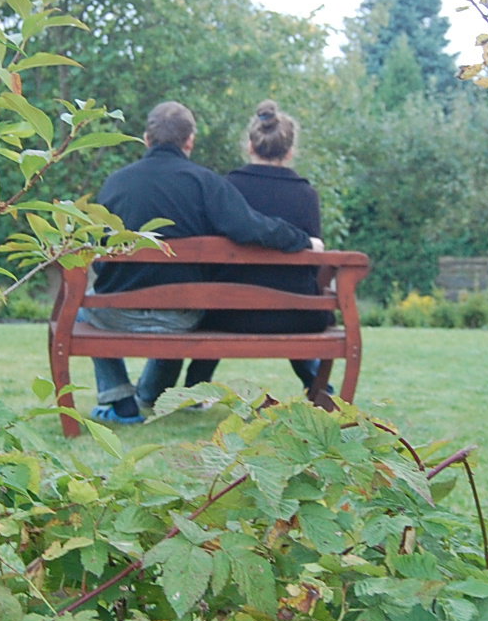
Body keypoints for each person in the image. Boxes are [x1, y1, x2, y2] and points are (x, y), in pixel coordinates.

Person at [82, 100, 321, 424]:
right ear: (190, 140)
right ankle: (149, 396)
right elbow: (250, 226)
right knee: (179, 301)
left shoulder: (115, 183)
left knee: (84, 310)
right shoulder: (206, 184)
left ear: (146, 138)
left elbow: (97, 255)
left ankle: (121, 400)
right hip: (182, 316)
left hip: (116, 314)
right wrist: (303, 240)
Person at [178, 100, 338, 410]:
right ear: (290, 151)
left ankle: (195, 389)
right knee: (293, 292)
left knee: (220, 294)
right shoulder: (306, 195)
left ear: (250, 145)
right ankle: (318, 385)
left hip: (228, 315)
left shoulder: (226, 188)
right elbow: (313, 267)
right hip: (297, 316)